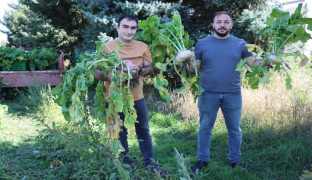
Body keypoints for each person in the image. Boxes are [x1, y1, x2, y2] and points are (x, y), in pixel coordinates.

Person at [181, 11, 264, 173]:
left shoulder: (240, 44)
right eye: (219, 22)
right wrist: (186, 61)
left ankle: (235, 161)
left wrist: (272, 58)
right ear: (213, 25)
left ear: (231, 25)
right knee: (205, 128)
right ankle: (202, 160)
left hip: (232, 93)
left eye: (226, 22)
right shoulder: (202, 43)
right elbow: (196, 69)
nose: (222, 25)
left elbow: (253, 63)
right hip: (207, 93)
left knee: (235, 129)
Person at [93, 14, 163, 175]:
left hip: (137, 98)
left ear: (136, 30)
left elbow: (150, 68)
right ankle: (125, 166)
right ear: (117, 27)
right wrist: (110, 76)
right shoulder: (107, 47)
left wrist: (139, 70)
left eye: (133, 28)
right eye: (125, 27)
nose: (129, 31)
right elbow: (96, 72)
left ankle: (151, 164)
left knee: (143, 130)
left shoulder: (142, 47)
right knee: (119, 132)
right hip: (113, 98)